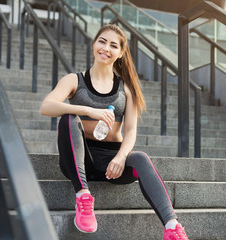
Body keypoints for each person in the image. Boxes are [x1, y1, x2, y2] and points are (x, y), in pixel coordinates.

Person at [40, 24, 189, 240]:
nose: (106, 48)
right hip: (79, 161)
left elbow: (130, 131)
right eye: (102, 41)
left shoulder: (126, 88)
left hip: (114, 166)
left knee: (140, 158)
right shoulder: (74, 80)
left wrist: (120, 157)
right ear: (93, 44)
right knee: (68, 118)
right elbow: (46, 106)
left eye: (113, 45)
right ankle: (83, 197)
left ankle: (172, 227)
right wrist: (87, 110)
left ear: (120, 53)